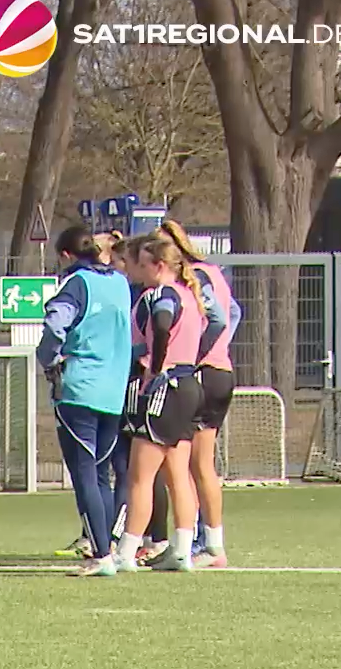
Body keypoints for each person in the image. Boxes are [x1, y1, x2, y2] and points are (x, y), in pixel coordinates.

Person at [36, 226, 134, 577]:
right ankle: (106, 546)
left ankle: (101, 554)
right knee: (102, 475)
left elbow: (55, 327)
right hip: (113, 391)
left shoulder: (76, 284)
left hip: (79, 388)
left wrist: (48, 359)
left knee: (85, 475)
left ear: (66, 255)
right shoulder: (121, 282)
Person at [115, 238, 205, 573]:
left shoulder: (161, 295)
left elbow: (163, 324)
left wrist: (155, 367)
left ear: (159, 266)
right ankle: (182, 548)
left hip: (167, 387)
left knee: (140, 476)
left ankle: (126, 550)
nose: (136, 269)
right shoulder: (189, 295)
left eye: (141, 263)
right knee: (177, 472)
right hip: (189, 384)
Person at [157, 218, 238, 568]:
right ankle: (201, 542)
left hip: (205, 374)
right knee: (197, 464)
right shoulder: (213, 271)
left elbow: (218, 318)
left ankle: (206, 545)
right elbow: (234, 313)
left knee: (193, 464)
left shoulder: (192, 278)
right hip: (221, 370)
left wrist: (198, 353)